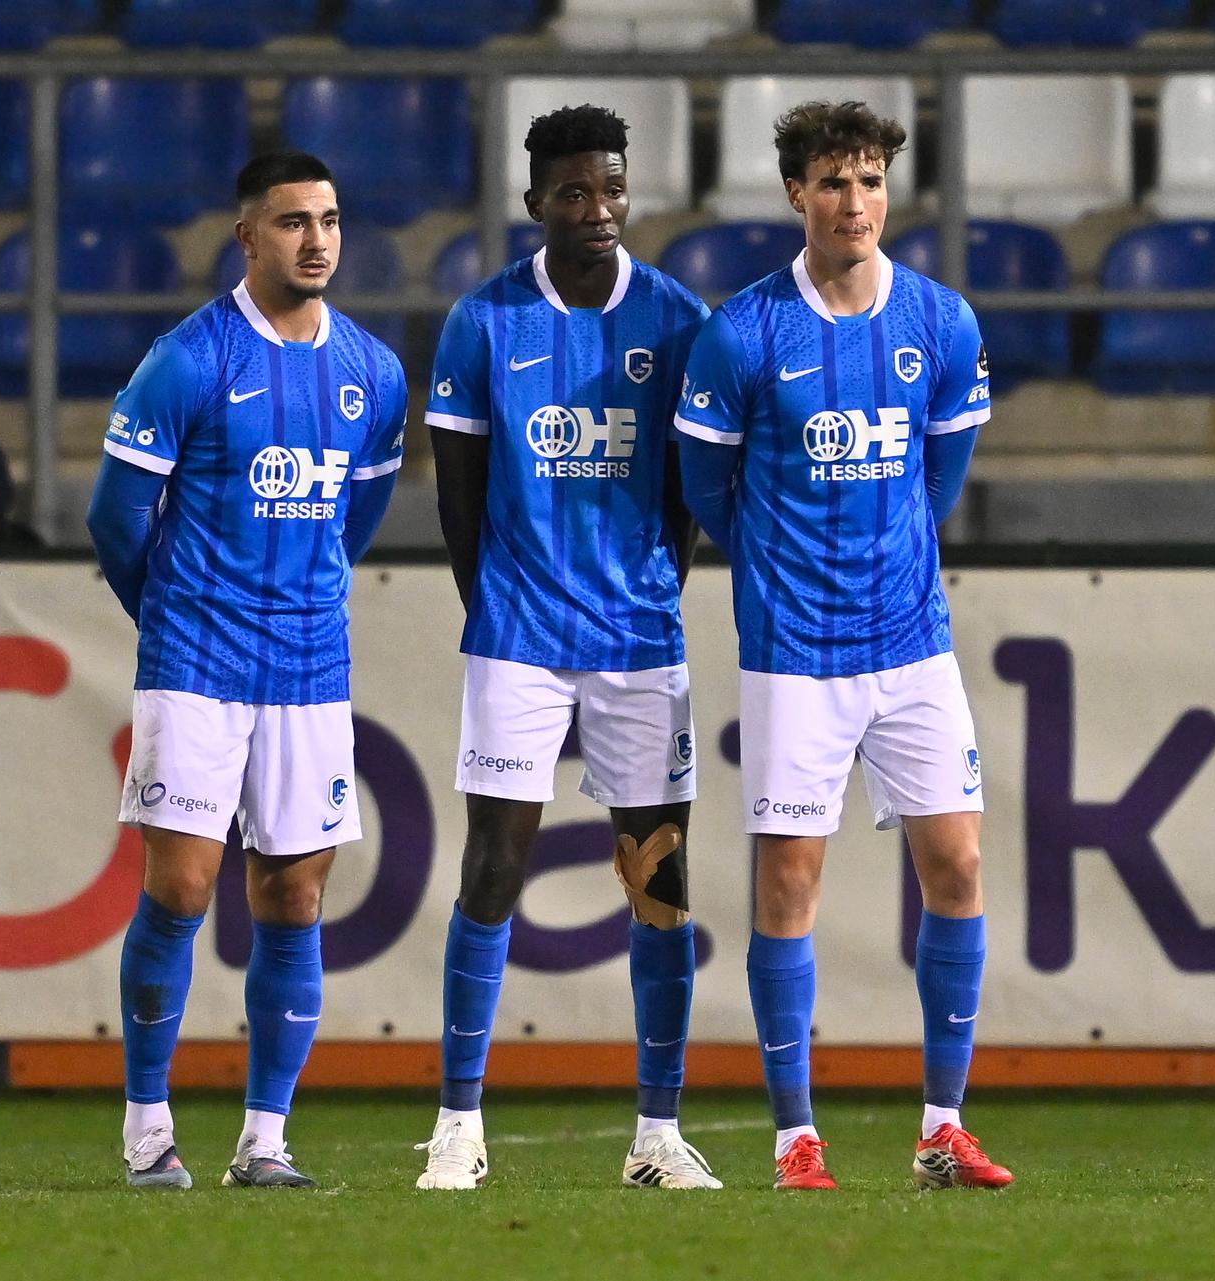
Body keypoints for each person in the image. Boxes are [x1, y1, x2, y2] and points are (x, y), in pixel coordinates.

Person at [673, 100, 1013, 1192]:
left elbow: (940, 478)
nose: (853, 202)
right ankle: (795, 1139)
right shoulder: (743, 333)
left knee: (957, 863)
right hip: (795, 652)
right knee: (789, 883)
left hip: (913, 644)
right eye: (832, 182)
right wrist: (783, 565)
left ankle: (942, 1128)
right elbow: (706, 489)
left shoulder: (941, 322)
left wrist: (886, 559)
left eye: (869, 181)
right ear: (796, 195)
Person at [84, 150, 407, 1192]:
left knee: (295, 898)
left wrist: (299, 596)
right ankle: (147, 1127)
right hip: (197, 659)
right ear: (247, 236)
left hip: (309, 665)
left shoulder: (374, 372)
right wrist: (171, 615)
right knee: (181, 886)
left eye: (329, 220)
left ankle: (265, 1139)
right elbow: (115, 517)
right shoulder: (188, 359)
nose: (316, 240)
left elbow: (353, 517)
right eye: (292, 222)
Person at [414, 105, 718, 1192]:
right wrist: (498, 605)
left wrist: (652, 587)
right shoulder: (483, 322)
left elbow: (689, 491)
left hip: (639, 638)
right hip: (519, 636)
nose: (599, 209)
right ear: (536, 201)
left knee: (658, 883)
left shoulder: (677, 319)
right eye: (577, 192)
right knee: (494, 867)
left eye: (613, 189)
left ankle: (657, 1135)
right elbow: (457, 499)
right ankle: (458, 1125)